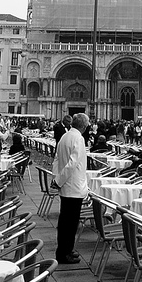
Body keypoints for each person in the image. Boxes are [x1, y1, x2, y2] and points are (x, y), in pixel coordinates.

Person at [53, 113, 90, 264]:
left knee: (65, 221)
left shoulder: (65, 136)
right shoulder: (78, 138)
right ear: (84, 126)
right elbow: (72, 164)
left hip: (66, 186)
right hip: (73, 187)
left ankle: (67, 249)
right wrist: (59, 181)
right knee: (70, 223)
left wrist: (56, 179)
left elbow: (56, 159)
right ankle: (64, 254)